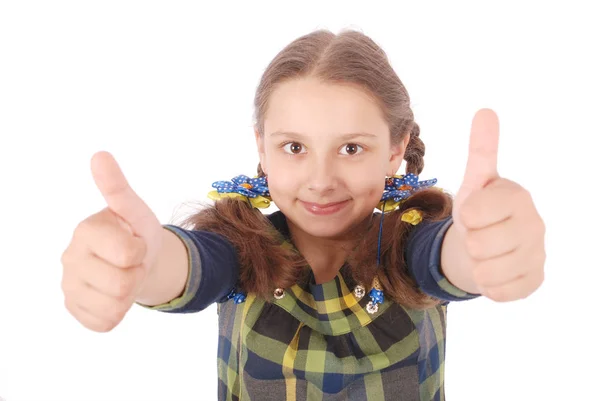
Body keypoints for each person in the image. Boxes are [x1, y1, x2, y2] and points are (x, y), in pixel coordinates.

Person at [60, 28, 546, 400]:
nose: (320, 179)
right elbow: (190, 265)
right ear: (262, 149)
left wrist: (481, 250)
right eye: (294, 147)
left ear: (396, 150)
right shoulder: (241, 247)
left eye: (351, 148)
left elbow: (445, 256)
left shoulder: (411, 244)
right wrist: (142, 263)